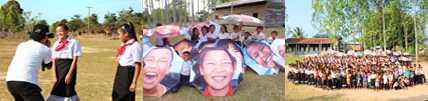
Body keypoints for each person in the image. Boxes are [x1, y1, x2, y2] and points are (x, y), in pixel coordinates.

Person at [6, 24, 53, 101]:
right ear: (46, 37)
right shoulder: (45, 49)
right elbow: (49, 66)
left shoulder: (22, 45)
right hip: (26, 82)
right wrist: (47, 47)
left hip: (10, 81)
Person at [46, 24, 82, 101]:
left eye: (61, 31)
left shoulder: (74, 43)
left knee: (68, 89)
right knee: (57, 89)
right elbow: (54, 61)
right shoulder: (56, 44)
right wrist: (54, 76)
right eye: (57, 32)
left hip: (70, 68)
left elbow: (75, 60)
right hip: (59, 69)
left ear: (67, 31)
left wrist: (69, 74)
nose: (59, 33)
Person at [111, 22, 143, 100]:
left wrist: (133, 83)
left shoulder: (135, 46)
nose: (118, 36)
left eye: (119, 34)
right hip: (120, 71)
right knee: (116, 95)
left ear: (126, 33)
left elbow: (138, 65)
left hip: (128, 73)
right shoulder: (124, 44)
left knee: (125, 97)